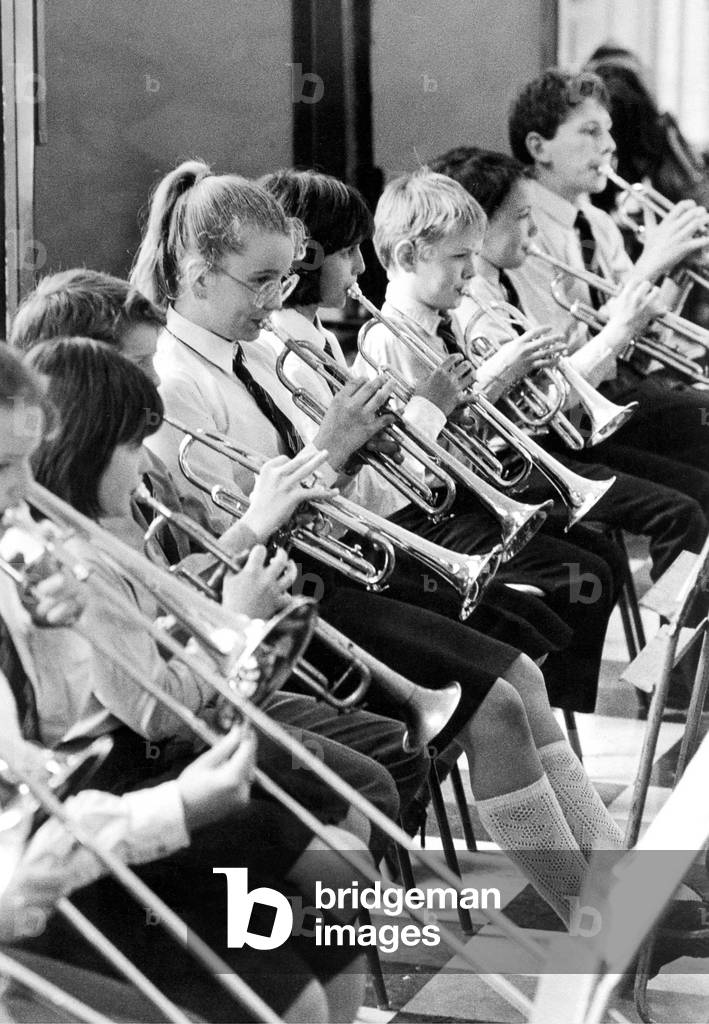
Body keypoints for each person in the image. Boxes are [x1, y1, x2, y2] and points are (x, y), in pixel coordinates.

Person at [125, 158, 652, 930]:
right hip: (284, 606)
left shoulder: (264, 354)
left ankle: (619, 888)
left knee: (521, 682)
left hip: (349, 572)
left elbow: (354, 496)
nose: (275, 302)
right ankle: (590, 913)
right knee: (497, 709)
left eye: (283, 281)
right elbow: (228, 532)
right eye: (260, 282)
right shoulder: (175, 381)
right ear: (200, 278)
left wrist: (386, 440)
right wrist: (336, 448)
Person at [0, 342, 419, 1023]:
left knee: (342, 864)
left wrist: (55, 643)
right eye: (2, 467)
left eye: (23, 462)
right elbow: (140, 716)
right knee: (302, 965)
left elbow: (49, 729)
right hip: (78, 835)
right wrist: (226, 621)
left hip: (87, 813)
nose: (23, 488)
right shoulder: (59, 550)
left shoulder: (51, 547)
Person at [346, 165, 623, 711]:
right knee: (581, 578)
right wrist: (491, 386)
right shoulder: (386, 342)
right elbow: (405, 469)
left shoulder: (440, 327)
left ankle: (553, 714)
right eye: (457, 258)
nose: (472, 273)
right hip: (423, 518)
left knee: (597, 553)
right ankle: (553, 718)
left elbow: (465, 434)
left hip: (465, 499)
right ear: (406, 258)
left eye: (473, 256)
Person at [429, 145, 708, 582]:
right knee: (678, 512)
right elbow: (544, 404)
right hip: (522, 457)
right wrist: (619, 329)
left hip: (563, 434)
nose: (534, 229)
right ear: (479, 224)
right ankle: (680, 641)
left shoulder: (497, 287)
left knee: (695, 484)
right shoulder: (470, 302)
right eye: (522, 216)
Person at [506, 68, 709, 517]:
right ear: (539, 148)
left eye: (610, 131)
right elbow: (562, 359)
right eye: (590, 131)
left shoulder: (596, 221)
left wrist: (676, 272)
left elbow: (641, 341)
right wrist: (651, 262)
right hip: (572, 416)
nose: (610, 146)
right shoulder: (522, 231)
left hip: (622, 390)